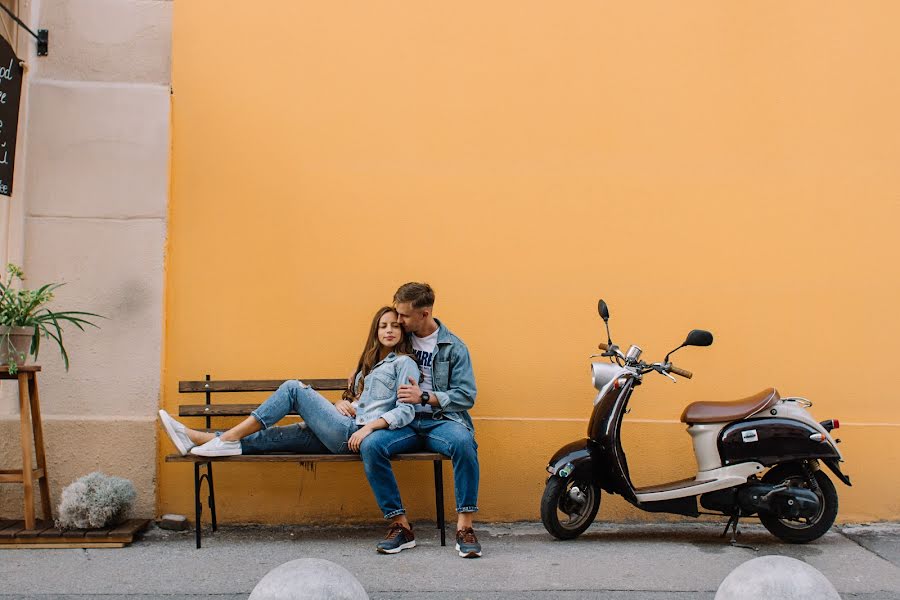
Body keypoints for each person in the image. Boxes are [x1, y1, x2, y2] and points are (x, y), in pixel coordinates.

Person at [158, 307, 420, 500]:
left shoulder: (404, 362)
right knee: (271, 438)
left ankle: (227, 437)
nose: (389, 330)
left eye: (395, 326)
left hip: (354, 435)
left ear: (403, 331)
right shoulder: (366, 366)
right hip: (343, 428)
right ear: (375, 330)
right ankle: (195, 439)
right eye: (383, 325)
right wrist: (341, 402)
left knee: (293, 388)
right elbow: (358, 402)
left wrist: (369, 428)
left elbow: (405, 410)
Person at [358, 282, 482, 558]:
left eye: (403, 316)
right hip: (405, 422)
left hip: (441, 421)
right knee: (371, 445)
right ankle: (400, 526)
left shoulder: (454, 347)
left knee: (464, 442)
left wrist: (424, 397)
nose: (397, 321)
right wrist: (348, 398)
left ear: (424, 314)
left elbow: (466, 396)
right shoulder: (400, 339)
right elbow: (370, 371)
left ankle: (465, 528)